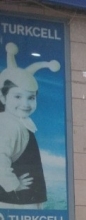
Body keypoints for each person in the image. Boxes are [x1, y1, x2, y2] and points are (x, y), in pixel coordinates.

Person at [0, 42, 60, 208]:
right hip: (15, 202)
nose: (25, 104)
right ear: (3, 98)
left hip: (22, 200)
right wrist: (13, 184)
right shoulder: (8, 125)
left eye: (31, 97)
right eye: (17, 96)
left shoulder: (18, 123)